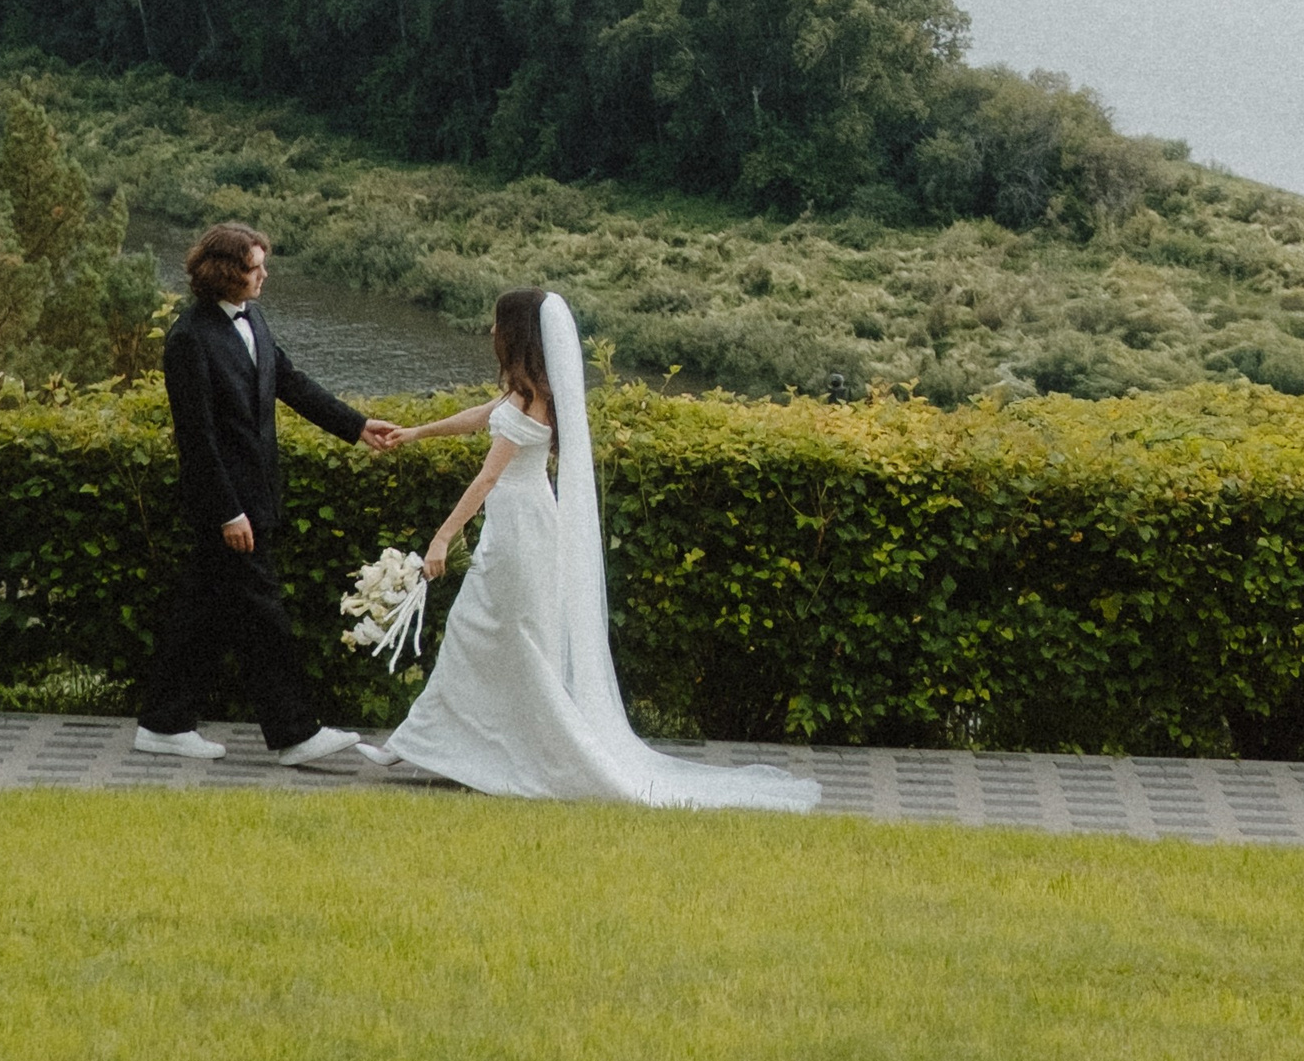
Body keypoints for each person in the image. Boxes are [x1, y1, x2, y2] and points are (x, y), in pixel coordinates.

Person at [382, 287, 818, 811]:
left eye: (498, 323)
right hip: (520, 525)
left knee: (498, 635)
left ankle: (492, 749)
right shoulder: (527, 391)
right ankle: (438, 743)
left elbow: (487, 478)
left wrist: (441, 537)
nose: (491, 331)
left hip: (520, 529)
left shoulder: (529, 397)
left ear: (515, 333)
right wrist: (416, 432)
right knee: (489, 634)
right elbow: (483, 416)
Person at [133, 220, 401, 768]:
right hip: (228, 507)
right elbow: (198, 438)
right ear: (226, 273)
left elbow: (290, 381)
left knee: (202, 614)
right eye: (255, 268)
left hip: (255, 497)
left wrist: (357, 425)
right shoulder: (189, 339)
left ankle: (162, 722)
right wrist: (228, 511)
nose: (264, 276)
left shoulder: (253, 316)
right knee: (264, 617)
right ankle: (295, 733)